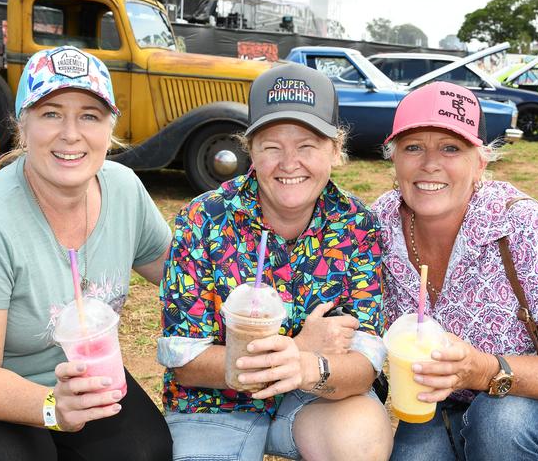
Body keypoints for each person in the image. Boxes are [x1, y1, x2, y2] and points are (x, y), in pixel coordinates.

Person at [0, 45, 173, 460]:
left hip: (81, 376)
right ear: (23, 126)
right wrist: (53, 408)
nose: (71, 134)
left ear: (109, 128)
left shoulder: (125, 188)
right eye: (51, 113)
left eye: (89, 116)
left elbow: (179, 274)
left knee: (146, 451)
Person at [158, 63, 393, 461]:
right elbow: (185, 361)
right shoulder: (203, 219)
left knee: (361, 438)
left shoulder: (357, 225)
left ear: (335, 150)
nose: (289, 163)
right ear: (250, 149)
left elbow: (365, 362)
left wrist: (304, 366)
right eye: (271, 146)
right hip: (214, 406)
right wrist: (293, 347)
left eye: (307, 145)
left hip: (314, 397)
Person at [373, 81, 538, 460]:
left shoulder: (526, 228)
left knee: (500, 424)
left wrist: (484, 370)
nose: (429, 164)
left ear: (480, 161)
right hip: (441, 403)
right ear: (393, 158)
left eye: (451, 148)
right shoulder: (378, 224)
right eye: (413, 147)